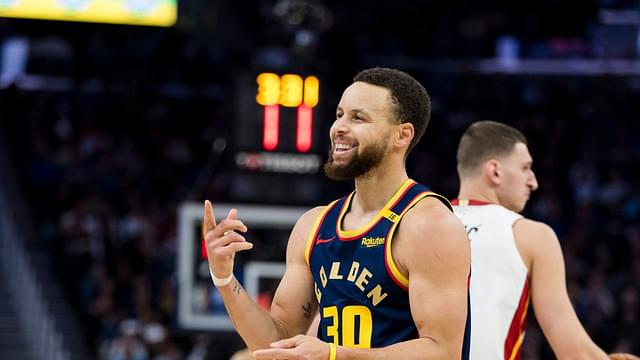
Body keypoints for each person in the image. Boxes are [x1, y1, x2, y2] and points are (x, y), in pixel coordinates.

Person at [203, 67, 471, 359]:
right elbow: (277, 341)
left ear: (402, 135)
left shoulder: (428, 224)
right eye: (339, 114)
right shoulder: (314, 225)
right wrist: (224, 278)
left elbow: (443, 351)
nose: (339, 127)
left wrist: (335, 355)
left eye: (358, 118)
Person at [452, 120, 638, 359]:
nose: (533, 182)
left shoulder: (416, 225)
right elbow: (574, 352)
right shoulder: (530, 234)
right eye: (525, 168)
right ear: (495, 171)